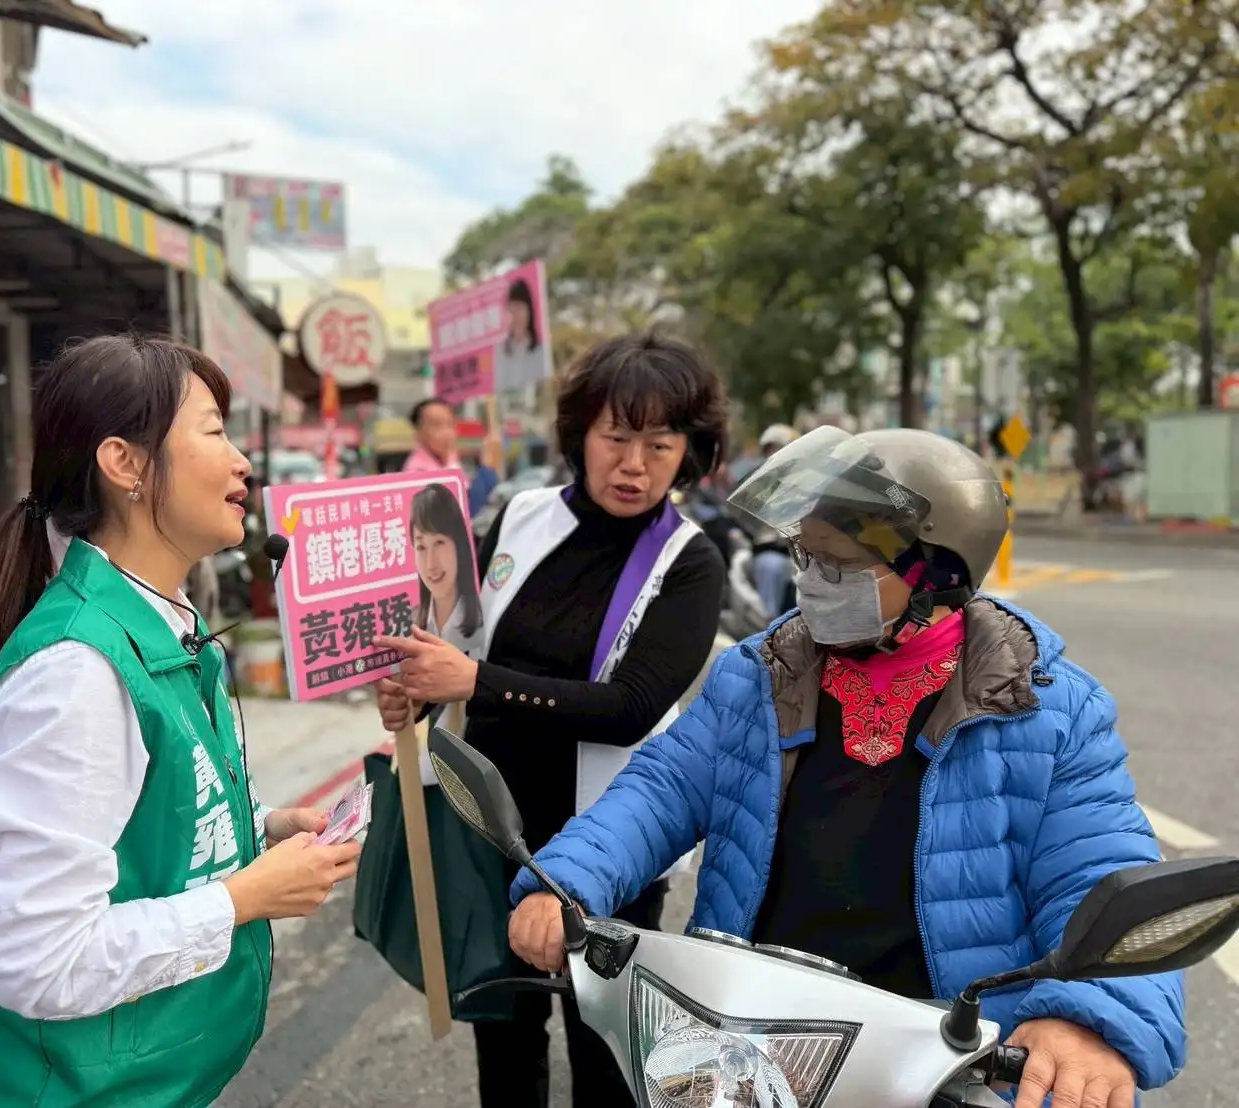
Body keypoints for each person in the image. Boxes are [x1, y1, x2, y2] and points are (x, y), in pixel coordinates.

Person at [507, 426, 1184, 1108]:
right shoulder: (758, 672)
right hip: (746, 1041)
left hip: (940, 1064)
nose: (810, 582)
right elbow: (660, 789)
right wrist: (567, 878)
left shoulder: (1046, 707)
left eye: (839, 566)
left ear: (934, 576)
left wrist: (1089, 1017)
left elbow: (1099, 872)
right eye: (805, 556)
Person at [0, 334, 362, 1107]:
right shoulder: (78, 673)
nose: (243, 462)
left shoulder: (163, 625)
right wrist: (245, 897)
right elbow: (37, 959)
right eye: (213, 431)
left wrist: (256, 826)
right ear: (125, 464)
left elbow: (131, 808)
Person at [373, 331, 728, 1107]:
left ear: (689, 453)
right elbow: (462, 636)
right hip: (487, 828)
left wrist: (474, 680)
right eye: (616, 438)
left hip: (605, 844)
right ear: (581, 435)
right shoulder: (525, 514)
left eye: (659, 445)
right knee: (501, 1038)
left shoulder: (688, 562)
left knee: (603, 1052)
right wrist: (420, 691)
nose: (633, 465)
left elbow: (631, 708)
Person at [410, 482, 483, 658]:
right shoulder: (408, 624)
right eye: (421, 547)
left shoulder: (486, 619)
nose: (430, 564)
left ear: (459, 544)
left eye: (439, 542)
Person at [404, 396, 502, 518]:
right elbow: (462, 514)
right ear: (418, 433)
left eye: (450, 424)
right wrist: (487, 469)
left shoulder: (450, 461)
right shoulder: (416, 473)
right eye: (436, 425)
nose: (446, 433)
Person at [746, 423, 798, 618]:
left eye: (781, 449)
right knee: (771, 566)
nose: (775, 456)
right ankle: (768, 625)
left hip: (807, 552)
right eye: (770, 450)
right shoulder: (757, 485)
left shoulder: (810, 481)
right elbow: (748, 521)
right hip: (773, 551)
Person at [492, 277, 549, 394]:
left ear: (530, 310)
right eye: (511, 310)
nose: (515, 315)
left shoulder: (541, 350)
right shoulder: (500, 349)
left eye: (519, 308)